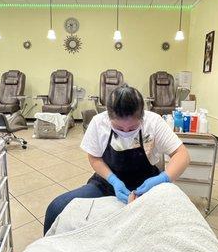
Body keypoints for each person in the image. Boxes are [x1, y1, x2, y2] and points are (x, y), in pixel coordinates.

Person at [43, 85, 190, 235]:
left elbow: (182, 154)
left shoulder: (154, 122)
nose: (126, 132)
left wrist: (162, 178)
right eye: (118, 127)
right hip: (107, 183)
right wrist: (113, 180)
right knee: (56, 207)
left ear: (142, 117)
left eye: (132, 128)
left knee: (174, 217)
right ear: (108, 116)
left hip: (147, 185)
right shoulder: (98, 123)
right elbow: (94, 157)